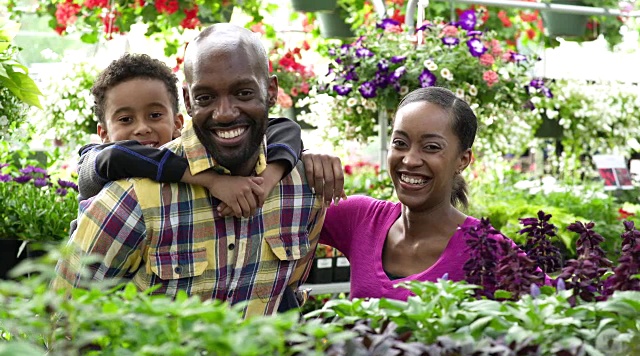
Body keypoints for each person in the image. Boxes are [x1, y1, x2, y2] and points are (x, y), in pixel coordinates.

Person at [53, 24, 327, 317]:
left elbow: (288, 291)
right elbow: (66, 317)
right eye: (206, 98)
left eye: (244, 92)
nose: (224, 112)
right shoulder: (134, 195)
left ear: (271, 91)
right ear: (188, 100)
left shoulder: (304, 189)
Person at [309, 87, 544, 301]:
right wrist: (300, 160)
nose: (410, 160)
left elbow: (558, 303)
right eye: (400, 143)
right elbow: (277, 210)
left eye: (431, 147)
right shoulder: (360, 218)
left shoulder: (486, 248)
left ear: (462, 160)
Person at [76, 53, 307, 219]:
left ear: (178, 123)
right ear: (103, 134)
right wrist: (213, 181)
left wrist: (264, 184)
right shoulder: (92, 162)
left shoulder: (187, 154)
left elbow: (286, 129)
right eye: (126, 120)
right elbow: (118, 156)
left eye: (155, 115)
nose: (142, 128)